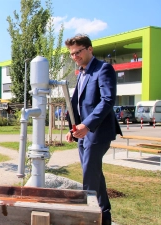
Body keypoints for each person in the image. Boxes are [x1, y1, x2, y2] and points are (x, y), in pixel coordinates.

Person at [64, 34, 122, 225]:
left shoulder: (103, 69)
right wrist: (72, 128)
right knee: (94, 174)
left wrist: (87, 125)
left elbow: (107, 101)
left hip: (98, 132)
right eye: (72, 54)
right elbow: (77, 104)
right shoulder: (81, 73)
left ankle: (87, 219)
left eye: (78, 52)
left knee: (89, 175)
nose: (75, 57)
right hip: (83, 133)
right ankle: (104, 217)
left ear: (90, 49)